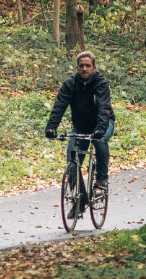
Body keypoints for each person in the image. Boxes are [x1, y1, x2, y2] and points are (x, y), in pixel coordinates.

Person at [44, 50, 113, 198]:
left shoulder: (100, 83)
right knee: (72, 164)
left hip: (102, 124)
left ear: (94, 68)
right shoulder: (70, 84)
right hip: (81, 126)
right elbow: (59, 106)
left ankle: (101, 178)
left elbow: (104, 108)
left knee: (99, 140)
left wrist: (101, 128)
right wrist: (51, 127)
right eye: (81, 66)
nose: (84, 69)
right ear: (77, 67)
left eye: (88, 66)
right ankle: (80, 200)